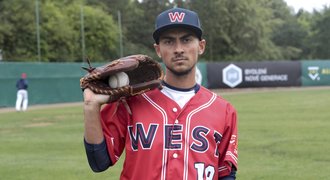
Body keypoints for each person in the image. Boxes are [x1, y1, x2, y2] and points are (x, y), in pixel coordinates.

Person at [83, 7, 238, 180]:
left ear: (201, 46)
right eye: (169, 41)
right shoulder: (129, 101)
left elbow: (226, 173)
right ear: (158, 49)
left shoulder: (223, 110)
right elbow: (99, 162)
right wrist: (91, 107)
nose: (179, 49)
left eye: (186, 40)